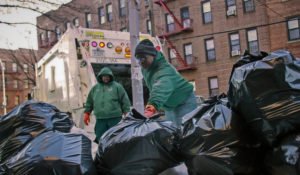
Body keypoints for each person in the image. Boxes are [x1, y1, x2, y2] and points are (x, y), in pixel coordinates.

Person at [135, 39, 197, 127]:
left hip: (184, 100)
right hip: (170, 104)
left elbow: (160, 89)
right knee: (172, 132)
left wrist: (150, 109)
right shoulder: (145, 69)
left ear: (152, 55)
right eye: (138, 58)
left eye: (143, 57)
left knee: (185, 133)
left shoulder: (164, 70)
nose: (141, 61)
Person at [84, 67, 131, 143]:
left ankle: (115, 153)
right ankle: (103, 152)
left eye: (107, 76)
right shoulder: (95, 88)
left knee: (115, 137)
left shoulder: (117, 87)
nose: (106, 78)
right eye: (104, 76)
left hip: (115, 118)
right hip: (100, 119)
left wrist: (126, 112)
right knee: (100, 136)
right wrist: (87, 112)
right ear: (101, 77)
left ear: (110, 77)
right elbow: (90, 101)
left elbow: (125, 100)